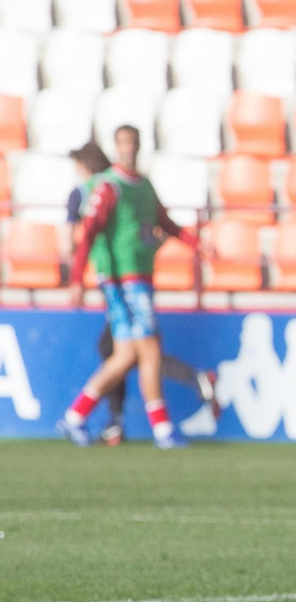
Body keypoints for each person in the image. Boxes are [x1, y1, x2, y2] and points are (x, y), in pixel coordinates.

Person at [64, 142, 219, 447]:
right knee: (149, 349)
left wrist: (194, 243)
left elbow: (164, 223)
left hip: (135, 276)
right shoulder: (106, 188)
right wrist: (77, 277)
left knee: (125, 355)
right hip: (125, 280)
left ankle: (75, 416)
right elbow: (89, 232)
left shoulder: (140, 186)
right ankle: (161, 428)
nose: (129, 152)